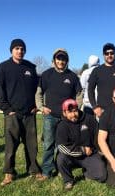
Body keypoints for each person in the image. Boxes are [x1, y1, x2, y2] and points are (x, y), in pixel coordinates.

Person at [0, 38, 42, 186]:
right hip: (12, 114)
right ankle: (9, 173)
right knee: (11, 145)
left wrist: (35, 106)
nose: (20, 51)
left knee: (31, 144)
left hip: (29, 114)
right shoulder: (3, 68)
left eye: (22, 49)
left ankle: (34, 169)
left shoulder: (30, 68)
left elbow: (37, 89)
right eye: (17, 48)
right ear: (11, 50)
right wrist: (7, 109)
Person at [35, 49, 82, 180]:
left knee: (64, 144)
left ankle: (62, 168)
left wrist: (74, 111)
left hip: (65, 118)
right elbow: (38, 92)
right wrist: (41, 107)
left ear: (67, 61)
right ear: (54, 60)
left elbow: (79, 94)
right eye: (58, 58)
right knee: (49, 144)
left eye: (63, 59)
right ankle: (46, 171)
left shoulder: (72, 76)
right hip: (50, 116)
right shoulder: (46, 74)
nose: (61, 61)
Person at [56, 99, 107, 190]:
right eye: (70, 112)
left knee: (102, 175)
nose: (73, 114)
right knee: (61, 158)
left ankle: (87, 173)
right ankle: (68, 180)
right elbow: (62, 147)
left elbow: (98, 136)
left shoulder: (89, 119)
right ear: (64, 113)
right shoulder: (61, 126)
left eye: (75, 111)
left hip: (90, 155)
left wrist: (101, 151)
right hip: (72, 156)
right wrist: (82, 150)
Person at [88, 43, 115, 118]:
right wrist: (95, 107)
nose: (109, 55)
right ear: (103, 55)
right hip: (102, 111)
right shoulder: (97, 71)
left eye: (112, 53)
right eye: (106, 53)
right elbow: (90, 90)